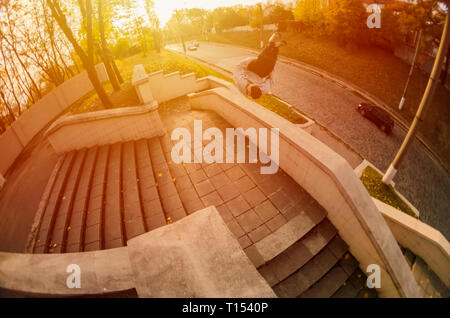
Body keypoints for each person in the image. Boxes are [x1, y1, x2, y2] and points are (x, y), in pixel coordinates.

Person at [233, 32, 286, 99]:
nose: (252, 83)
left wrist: (249, 60)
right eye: (256, 85)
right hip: (262, 74)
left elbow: (237, 68)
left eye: (251, 85)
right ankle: (275, 47)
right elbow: (270, 83)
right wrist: (271, 71)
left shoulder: (240, 83)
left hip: (252, 68)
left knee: (261, 60)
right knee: (271, 61)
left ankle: (271, 42)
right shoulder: (263, 90)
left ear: (248, 91)